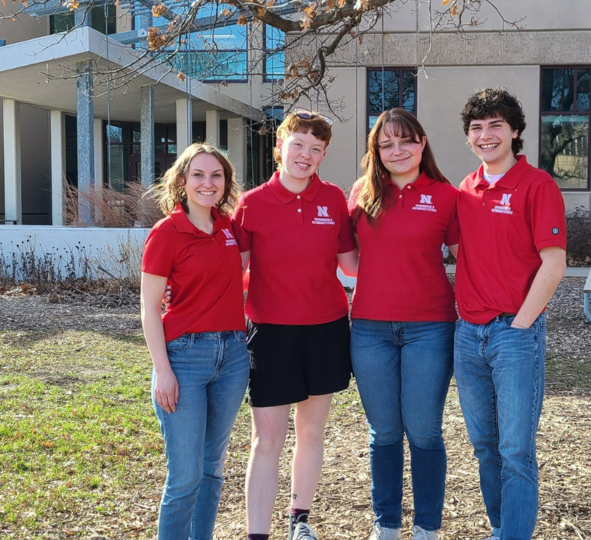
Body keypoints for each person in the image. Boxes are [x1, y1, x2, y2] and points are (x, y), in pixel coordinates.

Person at [232, 109, 359, 540]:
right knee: (266, 440)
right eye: (298, 144)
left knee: (310, 431)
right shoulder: (251, 204)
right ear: (280, 146)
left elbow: (353, 266)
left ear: (323, 155)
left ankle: (299, 519)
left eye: (316, 149)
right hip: (271, 334)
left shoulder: (334, 200)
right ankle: (257, 534)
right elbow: (228, 268)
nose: (306, 155)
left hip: (325, 330)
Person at [452, 88, 567, 540]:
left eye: (496, 125)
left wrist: (520, 324)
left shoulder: (538, 185)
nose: (486, 135)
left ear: (515, 131)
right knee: (484, 447)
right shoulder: (465, 189)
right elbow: (462, 250)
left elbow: (554, 262)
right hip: (467, 334)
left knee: (516, 449)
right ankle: (503, 528)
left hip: (513, 334)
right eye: (477, 128)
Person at [348, 108, 459, 540]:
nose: (397, 150)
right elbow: (339, 255)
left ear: (422, 142)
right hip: (370, 329)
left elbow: (471, 260)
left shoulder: (446, 196)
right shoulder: (361, 193)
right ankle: (387, 524)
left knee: (424, 429)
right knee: (384, 432)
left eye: (406, 140)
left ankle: (427, 527)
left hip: (430, 328)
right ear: (376, 150)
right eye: (386, 143)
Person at [140, 143, 250, 540]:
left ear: (226, 183)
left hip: (234, 357)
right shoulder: (166, 233)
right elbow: (150, 309)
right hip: (184, 359)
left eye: (216, 176)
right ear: (182, 181)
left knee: (211, 467)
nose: (208, 183)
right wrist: (162, 372)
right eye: (199, 175)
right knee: (185, 475)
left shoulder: (229, 227)